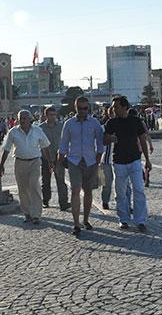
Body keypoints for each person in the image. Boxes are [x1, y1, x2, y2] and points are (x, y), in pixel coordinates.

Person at [57, 97, 104, 235]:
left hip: (91, 161)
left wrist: (99, 156)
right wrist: (60, 159)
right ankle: (76, 223)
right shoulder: (69, 123)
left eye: (85, 108)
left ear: (88, 108)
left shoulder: (95, 123)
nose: (83, 111)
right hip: (74, 161)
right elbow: (64, 142)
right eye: (80, 108)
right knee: (75, 190)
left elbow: (100, 141)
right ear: (75, 108)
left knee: (88, 191)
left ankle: (86, 219)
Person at [105, 96, 152, 232]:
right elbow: (104, 139)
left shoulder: (136, 121)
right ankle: (123, 219)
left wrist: (147, 160)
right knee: (120, 193)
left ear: (125, 107)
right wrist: (111, 138)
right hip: (118, 162)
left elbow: (142, 140)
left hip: (135, 161)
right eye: (113, 107)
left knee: (139, 190)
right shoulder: (111, 122)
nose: (114, 109)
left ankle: (140, 220)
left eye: (116, 107)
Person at [0, 110, 53, 225]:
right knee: (22, 189)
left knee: (34, 185)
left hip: (35, 162)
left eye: (24, 118)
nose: (22, 120)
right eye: (20, 118)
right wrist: (1, 165)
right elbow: (6, 149)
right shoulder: (13, 132)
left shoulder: (37, 130)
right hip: (20, 162)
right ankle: (27, 213)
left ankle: (36, 214)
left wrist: (50, 162)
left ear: (29, 119)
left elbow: (45, 146)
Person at [38, 107, 69, 211]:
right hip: (45, 159)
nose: (53, 117)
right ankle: (46, 200)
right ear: (45, 115)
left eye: (54, 115)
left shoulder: (61, 126)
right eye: (50, 115)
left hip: (58, 158)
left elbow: (65, 140)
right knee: (46, 181)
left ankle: (63, 203)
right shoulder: (40, 128)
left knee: (61, 181)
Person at [128, 108, 154, 187]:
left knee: (137, 163)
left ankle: (144, 177)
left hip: (135, 147)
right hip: (140, 146)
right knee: (140, 162)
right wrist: (150, 145)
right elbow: (147, 134)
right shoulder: (141, 122)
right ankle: (146, 175)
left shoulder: (130, 123)